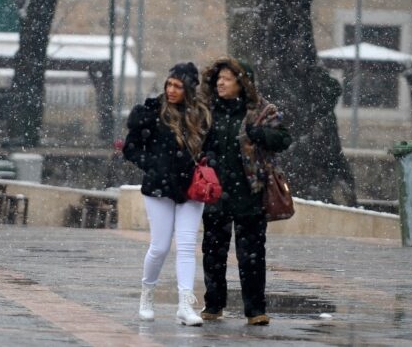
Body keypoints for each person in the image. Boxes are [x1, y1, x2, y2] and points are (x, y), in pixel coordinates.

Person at [199, 57, 291, 325]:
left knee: (251, 254)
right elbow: (196, 140)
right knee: (213, 252)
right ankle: (213, 305)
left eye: (226, 78)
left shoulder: (263, 111)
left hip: (251, 192)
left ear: (241, 83)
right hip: (216, 193)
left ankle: (255, 310)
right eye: (218, 78)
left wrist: (258, 134)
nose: (220, 83)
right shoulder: (209, 111)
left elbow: (283, 138)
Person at [123, 62, 212, 326]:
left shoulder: (201, 116)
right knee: (160, 247)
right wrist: (151, 164)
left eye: (178, 86)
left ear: (189, 89)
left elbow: (213, 148)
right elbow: (131, 147)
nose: (172, 90)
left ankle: (185, 305)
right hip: (158, 188)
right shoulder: (150, 113)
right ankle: (147, 295)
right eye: (169, 84)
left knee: (186, 247)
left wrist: (208, 165)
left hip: (191, 188)